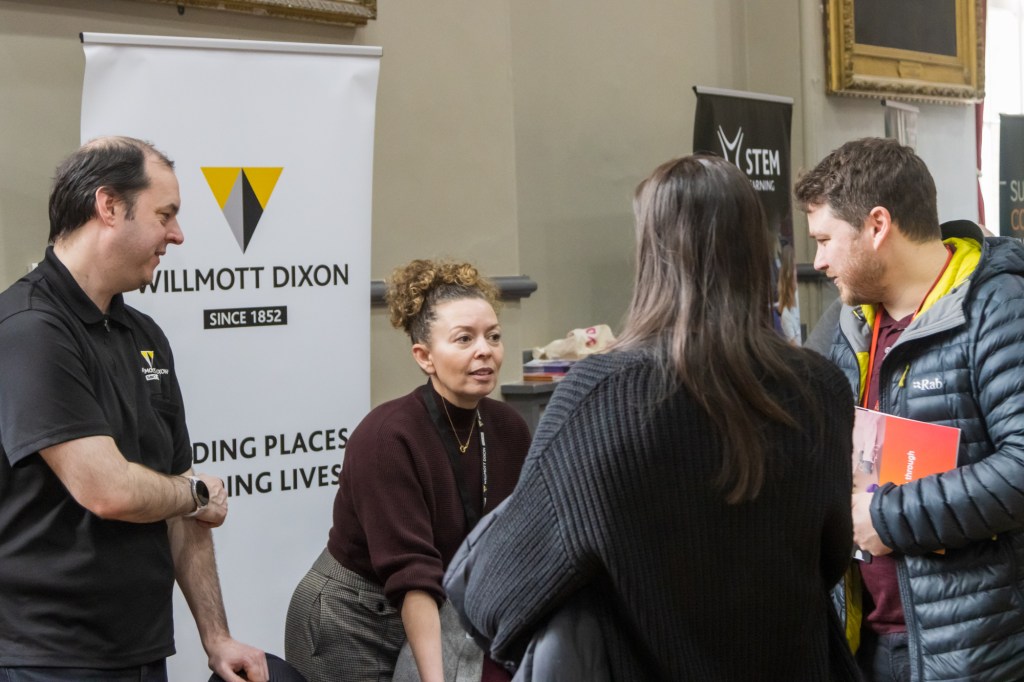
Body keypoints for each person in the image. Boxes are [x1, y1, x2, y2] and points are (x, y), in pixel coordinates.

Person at [443, 155, 858, 681]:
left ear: (652, 254)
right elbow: (831, 557)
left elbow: (494, 593)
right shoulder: (821, 389)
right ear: (757, 253)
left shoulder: (602, 397)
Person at [0, 137, 267, 681]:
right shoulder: (31, 329)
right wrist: (195, 495)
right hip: (48, 658)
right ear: (109, 206)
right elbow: (108, 490)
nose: (177, 234)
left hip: (142, 650)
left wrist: (216, 637)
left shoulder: (144, 334)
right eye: (164, 215)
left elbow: (180, 496)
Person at [794, 136, 1024, 682]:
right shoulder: (848, 324)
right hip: (867, 643)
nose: (818, 261)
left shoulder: (997, 308)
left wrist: (887, 518)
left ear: (877, 225)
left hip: (969, 654)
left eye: (825, 240)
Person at [284, 259, 531, 682]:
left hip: (439, 610)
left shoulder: (508, 428)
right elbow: (411, 574)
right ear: (424, 357)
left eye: (493, 336)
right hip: (352, 620)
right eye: (464, 338)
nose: (485, 350)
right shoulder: (386, 437)